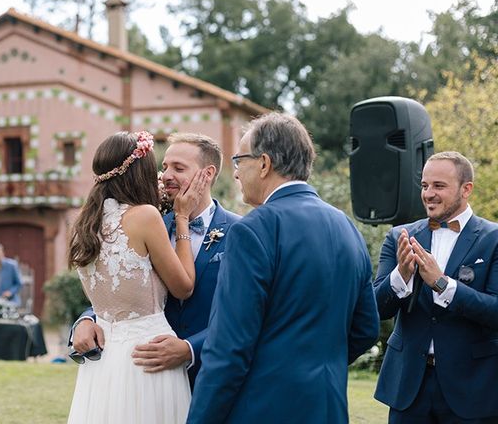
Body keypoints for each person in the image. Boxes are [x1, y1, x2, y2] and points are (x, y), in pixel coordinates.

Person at [187, 112, 380, 424]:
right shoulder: (346, 226)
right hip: (328, 407)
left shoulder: (255, 229)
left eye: (240, 160)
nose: (236, 173)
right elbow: (366, 328)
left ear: (264, 164)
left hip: (264, 409)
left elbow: (228, 348)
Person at [71, 132, 241, 389]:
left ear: (207, 174)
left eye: (179, 168)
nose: (166, 175)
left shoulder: (240, 232)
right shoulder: (144, 224)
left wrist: (189, 349)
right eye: (164, 167)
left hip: (212, 376)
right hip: (145, 371)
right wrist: (87, 319)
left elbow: (245, 313)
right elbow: (121, 286)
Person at [66, 130, 207, 423]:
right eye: (156, 167)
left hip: (103, 363)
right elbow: (183, 288)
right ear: (138, 173)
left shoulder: (84, 224)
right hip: (148, 356)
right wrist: (181, 217)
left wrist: (89, 319)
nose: (161, 174)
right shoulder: (145, 216)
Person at [374, 151, 498, 423]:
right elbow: (376, 308)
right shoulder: (399, 236)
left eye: (438, 186)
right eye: (424, 185)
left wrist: (443, 284)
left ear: (467, 189)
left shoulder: (494, 239)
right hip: (409, 387)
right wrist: (401, 275)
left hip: (472, 388)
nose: (428, 194)